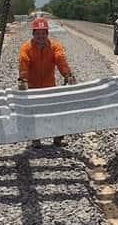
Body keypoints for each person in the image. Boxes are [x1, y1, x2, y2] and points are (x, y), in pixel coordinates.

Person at [17, 17, 76, 148]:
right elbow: (23, 63)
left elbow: (60, 60)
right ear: (33, 34)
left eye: (43, 33)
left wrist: (67, 74)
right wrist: (23, 79)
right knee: (35, 113)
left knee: (55, 112)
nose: (41, 36)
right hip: (33, 87)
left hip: (50, 86)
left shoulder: (54, 47)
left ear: (47, 34)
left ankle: (58, 138)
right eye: (38, 33)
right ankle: (36, 138)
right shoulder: (26, 48)